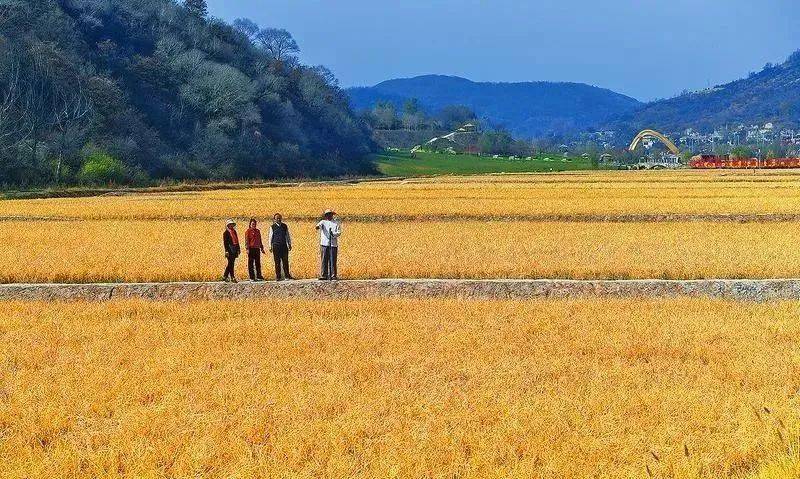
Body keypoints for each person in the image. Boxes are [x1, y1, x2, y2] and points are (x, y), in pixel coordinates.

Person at [316, 209, 342, 280]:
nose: (329, 215)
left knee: (333, 260)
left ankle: (333, 275)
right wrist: (319, 226)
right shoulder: (323, 222)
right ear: (325, 216)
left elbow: (339, 232)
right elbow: (317, 226)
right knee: (324, 259)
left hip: (333, 244)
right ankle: (324, 275)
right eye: (327, 214)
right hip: (324, 243)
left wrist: (333, 234)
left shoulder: (336, 223)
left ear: (332, 215)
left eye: (330, 214)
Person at [268, 213, 294, 281]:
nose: (278, 219)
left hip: (284, 246)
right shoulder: (272, 227)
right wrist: (270, 246)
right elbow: (270, 237)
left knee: (285, 261)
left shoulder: (284, 226)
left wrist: (289, 244)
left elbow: (287, 235)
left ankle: (287, 276)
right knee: (277, 262)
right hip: (276, 246)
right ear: (274, 219)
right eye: (277, 218)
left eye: (279, 218)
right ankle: (278, 277)